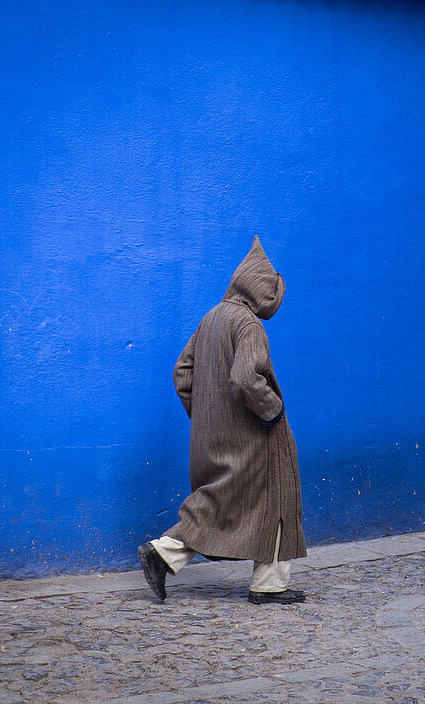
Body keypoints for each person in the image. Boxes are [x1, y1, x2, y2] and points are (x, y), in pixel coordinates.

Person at [138, 236, 307, 604]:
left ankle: (164, 553)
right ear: (262, 291)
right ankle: (269, 584)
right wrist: (272, 411)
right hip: (253, 434)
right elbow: (247, 378)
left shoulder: (211, 317)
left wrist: (205, 418)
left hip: (213, 438)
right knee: (277, 495)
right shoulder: (248, 325)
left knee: (217, 501)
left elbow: (182, 372)